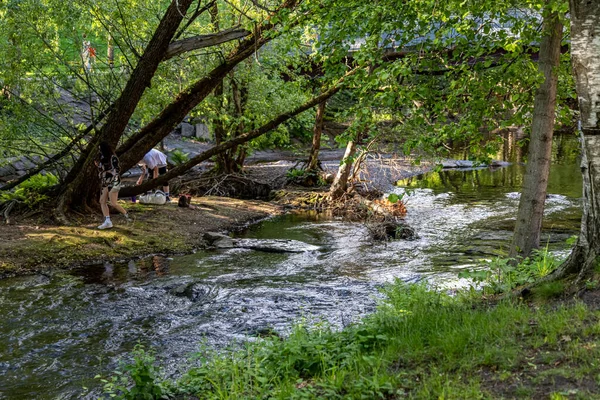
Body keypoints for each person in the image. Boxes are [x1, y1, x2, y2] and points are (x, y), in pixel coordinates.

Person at [97, 141, 130, 229]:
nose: (99, 151)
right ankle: (107, 221)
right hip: (105, 182)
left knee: (113, 203)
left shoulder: (113, 158)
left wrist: (106, 171)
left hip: (114, 182)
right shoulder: (102, 158)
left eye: (100, 149)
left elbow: (116, 170)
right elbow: (101, 170)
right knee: (102, 201)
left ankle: (126, 215)